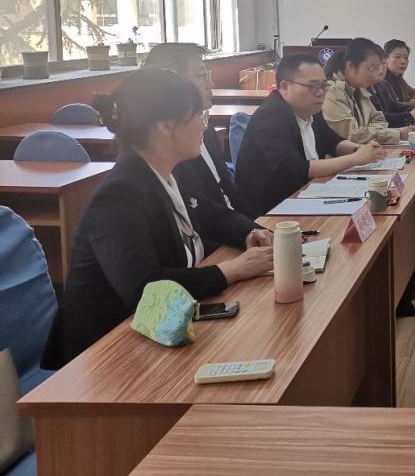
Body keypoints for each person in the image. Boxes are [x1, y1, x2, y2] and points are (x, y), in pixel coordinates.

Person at [44, 68, 274, 365]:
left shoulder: (165, 172)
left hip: (160, 332)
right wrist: (232, 270)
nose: (203, 126)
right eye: (198, 116)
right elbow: (145, 287)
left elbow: (209, 212)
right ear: (166, 126)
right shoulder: (119, 196)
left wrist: (249, 232)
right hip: (107, 355)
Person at [234, 53, 384, 217]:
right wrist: (355, 159)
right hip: (271, 211)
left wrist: (359, 149)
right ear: (284, 87)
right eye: (312, 86)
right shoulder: (270, 118)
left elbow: (332, 141)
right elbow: (296, 168)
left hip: (306, 195)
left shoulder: (311, 109)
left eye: (323, 85)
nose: (320, 93)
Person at [145, 43, 253, 241]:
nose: (211, 84)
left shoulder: (204, 128)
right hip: (216, 243)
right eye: (202, 76)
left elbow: (229, 190)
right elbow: (201, 211)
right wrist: (250, 233)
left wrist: (258, 228)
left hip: (237, 233)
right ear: (170, 82)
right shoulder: (165, 149)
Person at [322, 38, 415, 145]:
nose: (375, 74)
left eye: (376, 69)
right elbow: (352, 135)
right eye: (370, 69)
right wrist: (395, 134)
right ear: (350, 66)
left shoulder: (360, 89)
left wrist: (368, 132)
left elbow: (379, 119)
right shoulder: (333, 92)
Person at [369, 54, 415, 128]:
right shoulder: (363, 90)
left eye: (383, 63)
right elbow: (377, 120)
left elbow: (393, 106)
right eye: (397, 57)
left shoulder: (381, 85)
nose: (403, 61)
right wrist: (411, 116)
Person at [381, 39, 415, 110]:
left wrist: (414, 100)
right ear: (385, 59)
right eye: (397, 57)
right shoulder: (382, 81)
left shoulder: (399, 79)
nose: (403, 61)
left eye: (406, 57)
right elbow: (394, 106)